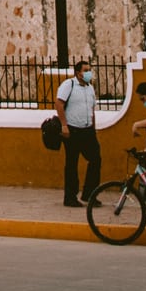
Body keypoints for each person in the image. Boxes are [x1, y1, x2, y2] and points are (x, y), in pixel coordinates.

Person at [55, 58, 100, 207]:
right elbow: (59, 104)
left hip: (87, 130)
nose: (88, 73)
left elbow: (92, 109)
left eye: (89, 70)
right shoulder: (69, 85)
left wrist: (93, 128)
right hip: (72, 130)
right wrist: (64, 126)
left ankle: (89, 193)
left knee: (96, 159)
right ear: (78, 73)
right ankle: (70, 197)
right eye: (85, 71)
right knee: (72, 163)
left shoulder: (90, 88)